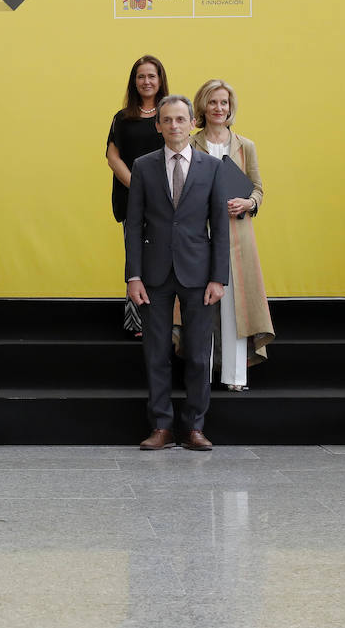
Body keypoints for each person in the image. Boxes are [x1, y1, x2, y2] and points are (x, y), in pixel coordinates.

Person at [125, 95, 229, 451]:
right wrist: (133, 276)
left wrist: (219, 277)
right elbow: (133, 225)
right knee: (156, 353)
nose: (174, 126)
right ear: (158, 125)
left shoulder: (212, 167)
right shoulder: (142, 166)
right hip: (153, 274)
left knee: (199, 354)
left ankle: (195, 427)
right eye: (167, 120)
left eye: (180, 120)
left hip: (199, 274)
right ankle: (162, 427)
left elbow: (220, 226)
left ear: (191, 123)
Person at [189, 79, 275, 391]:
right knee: (203, 300)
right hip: (200, 233)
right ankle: (204, 373)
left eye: (224, 102)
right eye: (213, 102)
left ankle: (236, 376)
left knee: (236, 303)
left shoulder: (245, 146)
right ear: (203, 106)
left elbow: (258, 189)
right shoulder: (190, 144)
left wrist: (248, 202)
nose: (219, 108)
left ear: (231, 107)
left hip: (238, 233)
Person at [105, 55, 168, 337]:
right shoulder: (123, 117)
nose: (146, 81)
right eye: (141, 77)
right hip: (131, 198)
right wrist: (138, 186)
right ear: (134, 81)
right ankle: (137, 322)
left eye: (151, 76)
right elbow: (112, 155)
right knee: (136, 258)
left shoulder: (169, 113)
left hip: (167, 200)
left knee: (164, 258)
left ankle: (165, 319)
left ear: (160, 80)